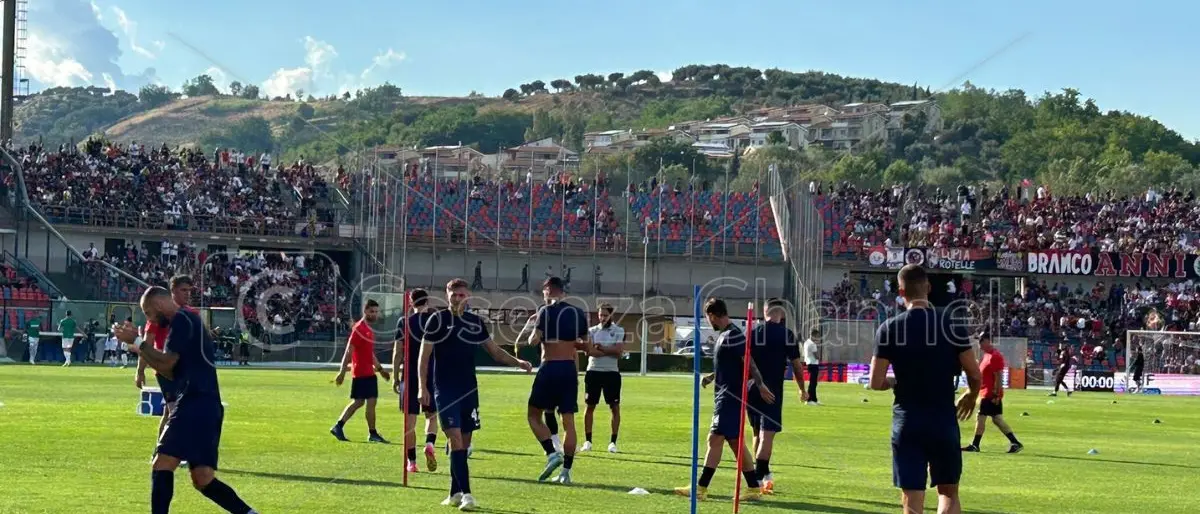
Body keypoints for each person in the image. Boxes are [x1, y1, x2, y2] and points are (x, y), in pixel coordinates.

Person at [113, 287, 259, 514]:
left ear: (159, 305)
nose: (150, 319)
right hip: (207, 406)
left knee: (162, 463)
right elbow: (170, 372)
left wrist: (138, 342)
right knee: (203, 479)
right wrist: (139, 346)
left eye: (149, 313)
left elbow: (167, 363)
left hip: (194, 402)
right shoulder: (188, 321)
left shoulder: (181, 320)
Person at [869, 264, 980, 514]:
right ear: (928, 287)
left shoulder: (889, 328)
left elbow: (875, 382)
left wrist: (893, 382)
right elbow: (974, 373)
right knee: (948, 492)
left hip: (907, 420)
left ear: (901, 292)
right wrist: (972, 395)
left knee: (912, 496)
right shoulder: (951, 323)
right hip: (942, 419)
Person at [418, 278, 533, 511]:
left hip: (469, 390)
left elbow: (495, 352)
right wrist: (422, 387)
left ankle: (454, 493)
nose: (457, 299)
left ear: (468, 296)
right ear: (447, 295)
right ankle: (468, 495)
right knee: (455, 439)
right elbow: (424, 356)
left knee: (463, 444)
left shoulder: (475, 322)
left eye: (461, 295)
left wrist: (518, 362)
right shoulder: (437, 320)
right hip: (445, 390)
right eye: (454, 294)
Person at [674, 298, 773, 502]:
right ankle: (753, 488)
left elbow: (749, 362)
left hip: (730, 398)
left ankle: (700, 488)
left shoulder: (733, 335)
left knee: (715, 439)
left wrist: (760, 385)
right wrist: (712, 376)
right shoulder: (725, 335)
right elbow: (729, 365)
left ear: (712, 315)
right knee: (736, 443)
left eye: (707, 318)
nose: (708, 321)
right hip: (726, 395)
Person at [526, 277, 590, 484]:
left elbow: (533, 340)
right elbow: (587, 346)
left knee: (533, 415)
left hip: (550, 367)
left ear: (548, 290)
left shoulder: (545, 311)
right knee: (568, 422)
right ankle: (566, 472)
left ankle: (551, 453)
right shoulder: (578, 313)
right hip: (569, 369)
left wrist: (533, 326)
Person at [747, 298, 807, 494]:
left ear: (765, 312)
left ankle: (765, 474)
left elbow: (742, 360)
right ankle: (757, 478)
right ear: (781, 314)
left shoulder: (753, 332)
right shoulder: (786, 334)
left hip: (752, 388)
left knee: (757, 433)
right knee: (767, 435)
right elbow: (796, 366)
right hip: (772, 390)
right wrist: (802, 389)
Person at [137, 276, 199, 464]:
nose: (187, 294)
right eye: (183, 290)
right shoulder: (158, 316)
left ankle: (163, 451)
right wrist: (140, 370)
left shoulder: (192, 314)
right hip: (165, 371)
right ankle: (168, 453)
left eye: (189, 290)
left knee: (172, 413)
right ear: (172, 292)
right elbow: (147, 344)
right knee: (176, 412)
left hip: (186, 370)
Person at [393, 288, 440, 473]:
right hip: (431, 375)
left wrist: (395, 377)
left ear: (411, 302)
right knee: (432, 415)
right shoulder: (434, 322)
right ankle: (429, 443)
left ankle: (411, 462)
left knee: (409, 422)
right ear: (427, 301)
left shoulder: (404, 322)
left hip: (410, 375)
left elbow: (397, 352)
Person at [331, 299, 391, 443]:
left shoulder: (368, 330)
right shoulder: (359, 329)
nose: (374, 314)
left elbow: (369, 354)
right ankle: (372, 433)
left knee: (359, 402)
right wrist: (342, 372)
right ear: (365, 311)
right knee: (369, 402)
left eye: (376, 312)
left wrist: (380, 369)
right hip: (362, 373)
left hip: (368, 372)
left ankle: (339, 426)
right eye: (372, 311)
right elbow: (349, 351)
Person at [961, 329, 1023, 453]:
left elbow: (998, 376)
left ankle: (975, 445)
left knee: (981, 416)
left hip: (990, 394)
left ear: (988, 341)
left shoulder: (995, 356)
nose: (979, 344)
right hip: (987, 392)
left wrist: (996, 394)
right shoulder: (987, 355)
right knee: (997, 419)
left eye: (981, 341)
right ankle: (1015, 442)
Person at [581, 303, 624, 453]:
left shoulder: (618, 330)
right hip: (593, 371)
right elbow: (588, 351)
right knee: (590, 406)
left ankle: (612, 442)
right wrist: (609, 351)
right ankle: (588, 441)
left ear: (611, 315)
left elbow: (619, 351)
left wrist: (601, 348)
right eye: (600, 315)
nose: (602, 318)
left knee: (614, 407)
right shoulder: (592, 331)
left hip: (611, 373)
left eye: (605, 315)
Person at [803, 328, 822, 405]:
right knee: (813, 383)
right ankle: (809, 400)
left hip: (809, 363)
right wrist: (818, 350)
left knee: (813, 383)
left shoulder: (806, 342)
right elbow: (817, 356)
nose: (818, 338)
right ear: (814, 335)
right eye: (817, 336)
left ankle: (814, 399)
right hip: (813, 364)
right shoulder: (812, 344)